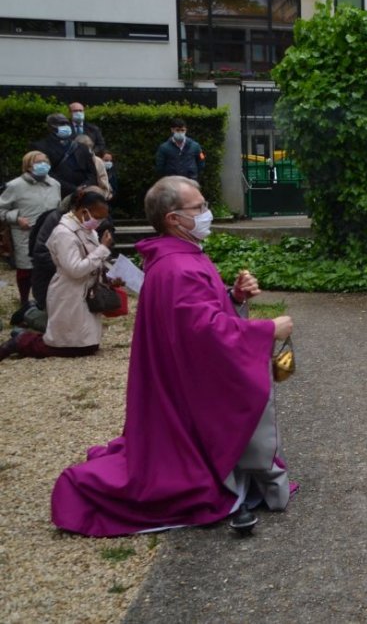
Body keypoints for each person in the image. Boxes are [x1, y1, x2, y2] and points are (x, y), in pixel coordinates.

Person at [50, 176, 295, 536]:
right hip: (185, 385)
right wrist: (267, 331)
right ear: (173, 219)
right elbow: (203, 331)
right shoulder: (179, 267)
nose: (207, 213)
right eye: (199, 208)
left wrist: (235, 298)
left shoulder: (178, 255)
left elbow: (198, 315)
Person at [0, 188, 113, 359]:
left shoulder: (87, 229)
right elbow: (75, 269)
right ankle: (21, 341)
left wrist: (111, 275)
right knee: (65, 345)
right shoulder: (63, 233)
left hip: (84, 293)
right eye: (97, 217)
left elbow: (95, 260)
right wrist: (103, 249)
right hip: (68, 293)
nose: (99, 222)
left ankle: (26, 337)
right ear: (84, 211)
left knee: (87, 344)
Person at [0, 151, 61, 320]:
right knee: (26, 269)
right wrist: (16, 218)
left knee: (49, 267)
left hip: (49, 233)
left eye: (46, 161)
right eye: (38, 162)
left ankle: (45, 301)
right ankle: (24, 301)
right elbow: (1, 209)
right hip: (25, 233)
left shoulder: (55, 184)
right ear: (28, 165)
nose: (43, 164)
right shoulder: (15, 185)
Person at [31, 114, 97, 197]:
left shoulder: (81, 147)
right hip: (57, 193)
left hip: (84, 194)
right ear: (50, 127)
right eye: (61, 124)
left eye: (67, 124)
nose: (65, 127)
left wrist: (86, 186)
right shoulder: (40, 147)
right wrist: (73, 189)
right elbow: (46, 173)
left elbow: (92, 172)